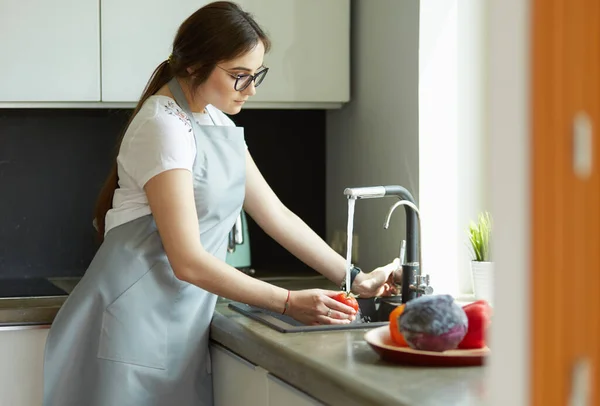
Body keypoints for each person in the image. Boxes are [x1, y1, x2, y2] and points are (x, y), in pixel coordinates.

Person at [42, 2, 399, 405]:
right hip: (130, 328)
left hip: (176, 325)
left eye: (255, 74)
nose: (251, 89)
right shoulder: (163, 127)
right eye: (239, 76)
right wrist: (286, 301)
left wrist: (355, 277)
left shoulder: (216, 122)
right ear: (194, 67)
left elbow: (276, 215)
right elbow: (188, 260)